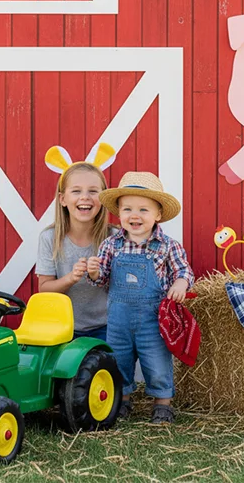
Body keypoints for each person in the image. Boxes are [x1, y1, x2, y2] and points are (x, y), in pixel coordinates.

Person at [86, 171, 192, 424]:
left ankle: (162, 404)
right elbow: (102, 281)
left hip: (152, 320)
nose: (135, 216)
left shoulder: (168, 245)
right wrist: (94, 271)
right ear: (119, 213)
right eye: (128, 209)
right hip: (118, 320)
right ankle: (122, 401)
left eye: (144, 210)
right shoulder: (111, 245)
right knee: (119, 360)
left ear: (158, 215)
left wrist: (180, 283)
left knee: (156, 360)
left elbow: (183, 270)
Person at [36, 144, 116, 340]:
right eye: (76, 191)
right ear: (63, 199)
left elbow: (123, 289)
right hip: (62, 329)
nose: (85, 197)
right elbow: (44, 288)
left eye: (93, 191)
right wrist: (71, 278)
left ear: (103, 198)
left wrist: (99, 275)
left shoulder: (114, 237)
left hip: (106, 327)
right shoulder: (49, 238)